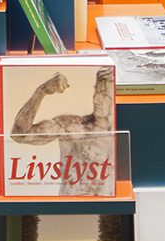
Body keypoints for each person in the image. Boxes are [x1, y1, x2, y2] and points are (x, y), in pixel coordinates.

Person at [8, 67, 117, 196]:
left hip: (108, 206)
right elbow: (20, 135)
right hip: (71, 204)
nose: (96, 99)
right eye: (96, 91)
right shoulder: (73, 127)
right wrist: (41, 91)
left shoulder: (122, 133)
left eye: (104, 95)